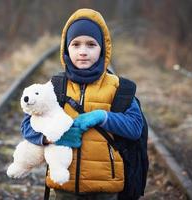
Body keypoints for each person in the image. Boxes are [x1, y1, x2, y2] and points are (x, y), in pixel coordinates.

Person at [21, 8, 143, 200]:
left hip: (106, 188)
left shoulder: (119, 88)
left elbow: (135, 128)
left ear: (103, 48)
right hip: (64, 186)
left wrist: (103, 117)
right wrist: (50, 138)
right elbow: (27, 126)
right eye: (76, 44)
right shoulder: (54, 87)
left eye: (91, 45)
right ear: (66, 49)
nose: (83, 52)